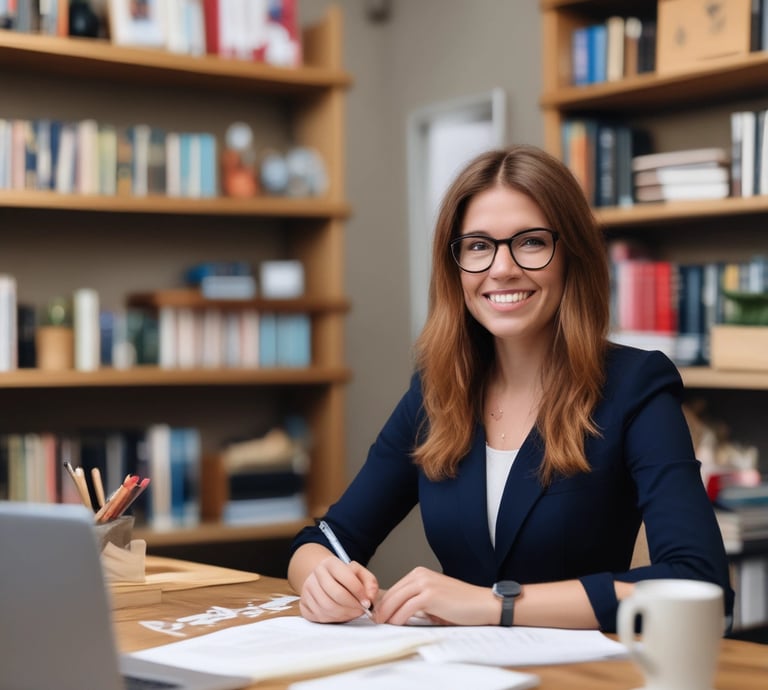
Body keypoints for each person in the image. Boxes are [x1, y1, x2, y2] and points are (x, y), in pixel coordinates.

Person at [287, 144, 734, 632]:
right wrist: (320, 580)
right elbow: (326, 538)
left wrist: (493, 605)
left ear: (572, 257)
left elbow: (700, 585)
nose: (502, 268)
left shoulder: (636, 386)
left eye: (531, 242)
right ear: (455, 267)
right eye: (478, 246)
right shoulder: (437, 393)